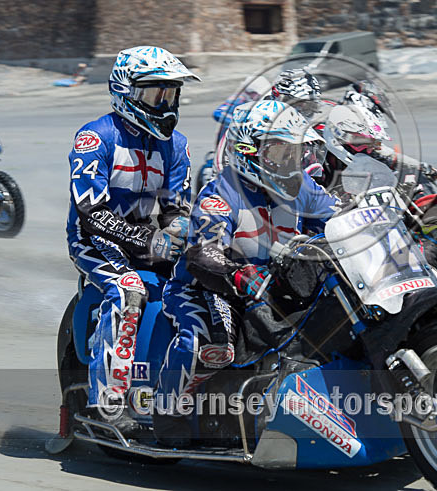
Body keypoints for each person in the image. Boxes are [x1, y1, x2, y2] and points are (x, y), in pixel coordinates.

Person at [153, 99, 338, 446]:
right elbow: (202, 255)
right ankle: (168, 413)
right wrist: (239, 274)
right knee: (210, 345)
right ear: (248, 150)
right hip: (207, 288)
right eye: (280, 152)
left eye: (296, 152)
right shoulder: (222, 193)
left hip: (275, 284)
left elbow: (334, 221)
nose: (290, 162)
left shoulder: (303, 188)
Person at [65, 46, 200, 431]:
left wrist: (178, 230)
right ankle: (107, 403)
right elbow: (91, 213)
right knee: (127, 290)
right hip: (93, 239)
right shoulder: (95, 137)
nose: (166, 103)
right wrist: (147, 241)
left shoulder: (177, 145)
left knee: (205, 279)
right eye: (155, 93)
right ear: (126, 91)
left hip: (147, 237)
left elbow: (176, 206)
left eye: (171, 93)